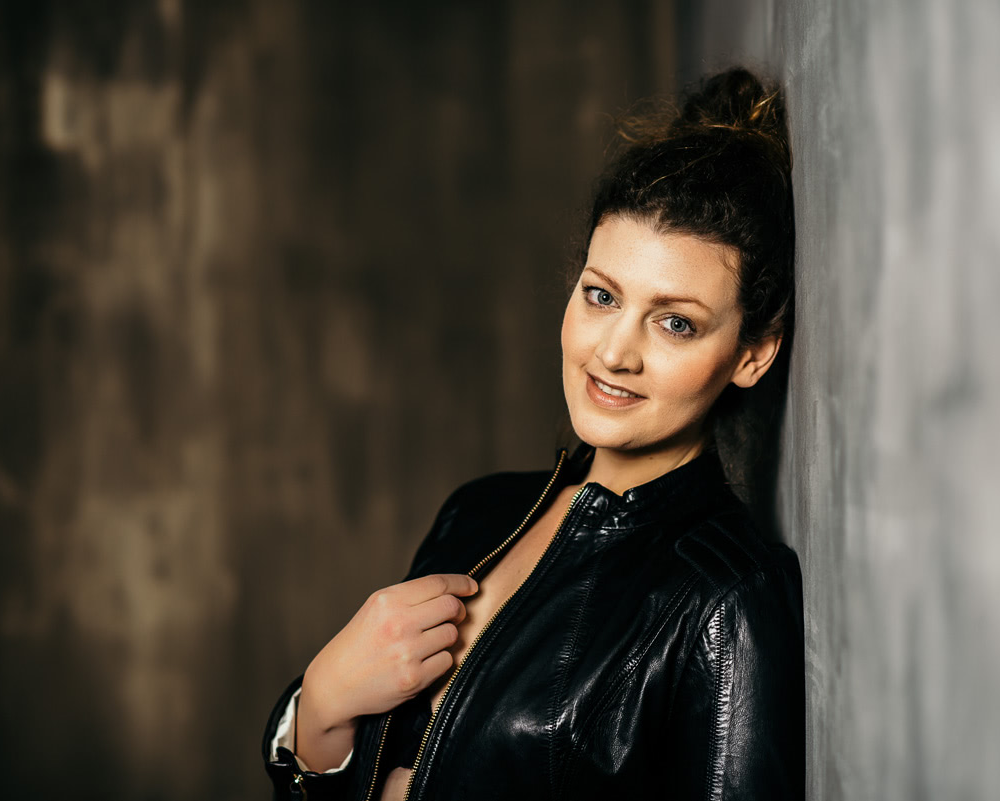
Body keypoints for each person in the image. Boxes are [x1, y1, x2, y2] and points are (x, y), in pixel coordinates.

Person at [262, 66, 804, 801]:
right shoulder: (477, 513)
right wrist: (321, 707)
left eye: (676, 322)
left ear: (751, 354)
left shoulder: (726, 602)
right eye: (601, 296)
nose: (614, 352)